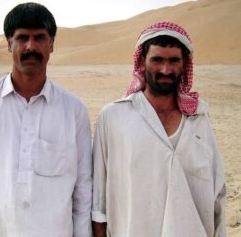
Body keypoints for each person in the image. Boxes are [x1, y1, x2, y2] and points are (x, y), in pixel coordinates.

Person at [0, 2, 92, 236]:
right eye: (22, 38)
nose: (31, 46)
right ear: (9, 43)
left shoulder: (74, 111)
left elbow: (83, 194)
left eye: (39, 37)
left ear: (51, 44)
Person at [92, 21, 226, 237]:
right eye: (157, 60)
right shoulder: (114, 117)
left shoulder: (199, 120)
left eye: (174, 60)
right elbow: (98, 204)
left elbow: (217, 195)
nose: (165, 69)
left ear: (184, 65)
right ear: (142, 63)